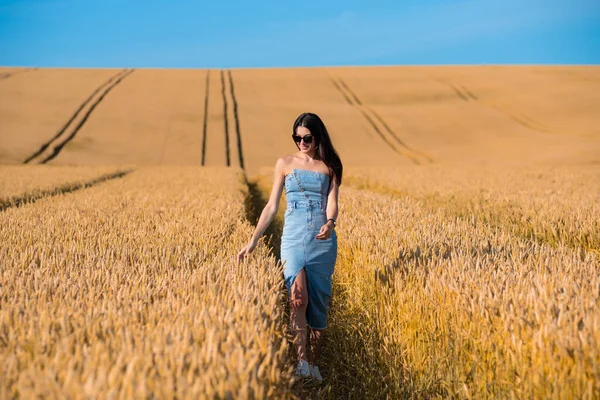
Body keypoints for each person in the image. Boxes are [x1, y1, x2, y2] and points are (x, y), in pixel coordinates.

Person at [237, 112, 343, 381]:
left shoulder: (330, 166)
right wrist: (253, 240)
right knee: (297, 299)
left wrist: (330, 223)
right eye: (297, 138)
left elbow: (332, 202)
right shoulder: (284, 163)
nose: (301, 143)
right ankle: (301, 362)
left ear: (317, 136)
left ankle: (314, 364)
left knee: (319, 304)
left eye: (306, 138)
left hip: (322, 240)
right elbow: (272, 205)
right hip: (293, 238)